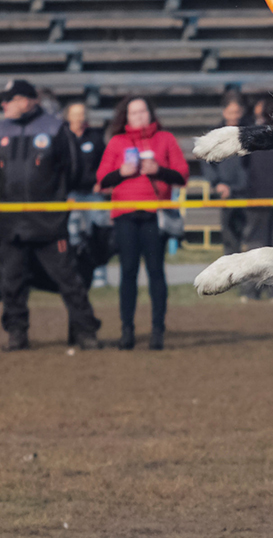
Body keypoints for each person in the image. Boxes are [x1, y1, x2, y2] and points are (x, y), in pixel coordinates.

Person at [0, 79, 102, 351]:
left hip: (49, 223)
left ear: (26, 100)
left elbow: (75, 170)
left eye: (9, 99)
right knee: (12, 283)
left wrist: (60, 197)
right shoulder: (1, 129)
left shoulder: (55, 129)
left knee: (68, 280)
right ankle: (17, 334)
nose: (4, 104)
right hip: (10, 224)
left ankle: (85, 332)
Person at [95, 97, 189, 350]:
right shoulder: (117, 142)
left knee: (156, 272)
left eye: (143, 111)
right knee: (128, 272)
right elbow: (102, 179)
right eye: (133, 112)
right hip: (125, 215)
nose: (139, 116)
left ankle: (158, 329)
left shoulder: (165, 139)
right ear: (125, 117)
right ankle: (127, 330)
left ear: (151, 113)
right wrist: (122, 173)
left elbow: (182, 175)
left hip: (154, 215)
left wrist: (158, 170)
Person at [241, 96, 273, 300]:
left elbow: (244, 167)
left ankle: (250, 291)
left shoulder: (255, 136)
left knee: (255, 244)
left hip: (257, 197)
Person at [64, 101, 111, 288]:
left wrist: (102, 182)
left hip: (93, 194)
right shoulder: (63, 138)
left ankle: (100, 276)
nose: (80, 118)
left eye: (83, 113)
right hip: (70, 195)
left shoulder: (95, 137)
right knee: (72, 235)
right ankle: (75, 275)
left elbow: (105, 162)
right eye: (76, 114)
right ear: (68, 117)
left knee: (98, 235)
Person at [202, 91, 251, 261]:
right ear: (224, 112)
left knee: (251, 236)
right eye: (231, 113)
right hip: (226, 192)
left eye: (237, 112)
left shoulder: (250, 133)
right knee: (230, 236)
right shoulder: (214, 135)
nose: (234, 116)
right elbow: (206, 162)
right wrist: (217, 183)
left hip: (249, 191)